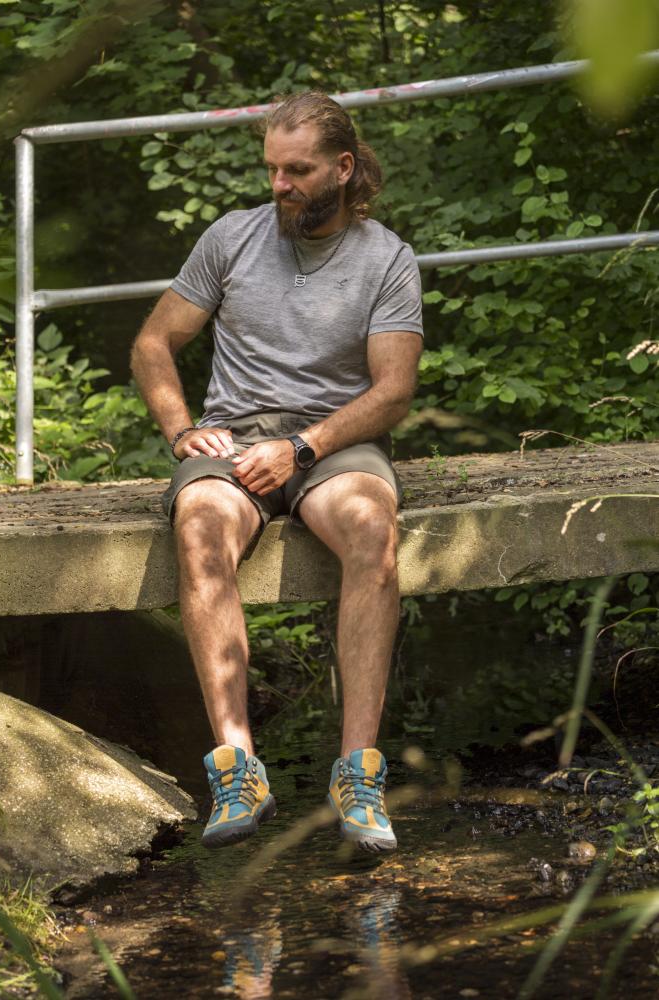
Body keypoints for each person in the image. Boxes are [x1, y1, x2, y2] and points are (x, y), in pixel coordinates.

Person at [131, 90, 423, 853]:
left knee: (371, 531)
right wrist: (182, 430)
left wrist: (303, 448)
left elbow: (391, 391)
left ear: (343, 168)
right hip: (234, 442)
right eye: (272, 169)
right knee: (198, 526)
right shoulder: (230, 238)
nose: (280, 185)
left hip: (333, 443)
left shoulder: (386, 258)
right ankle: (238, 766)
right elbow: (153, 343)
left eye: (297, 170)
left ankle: (357, 774)